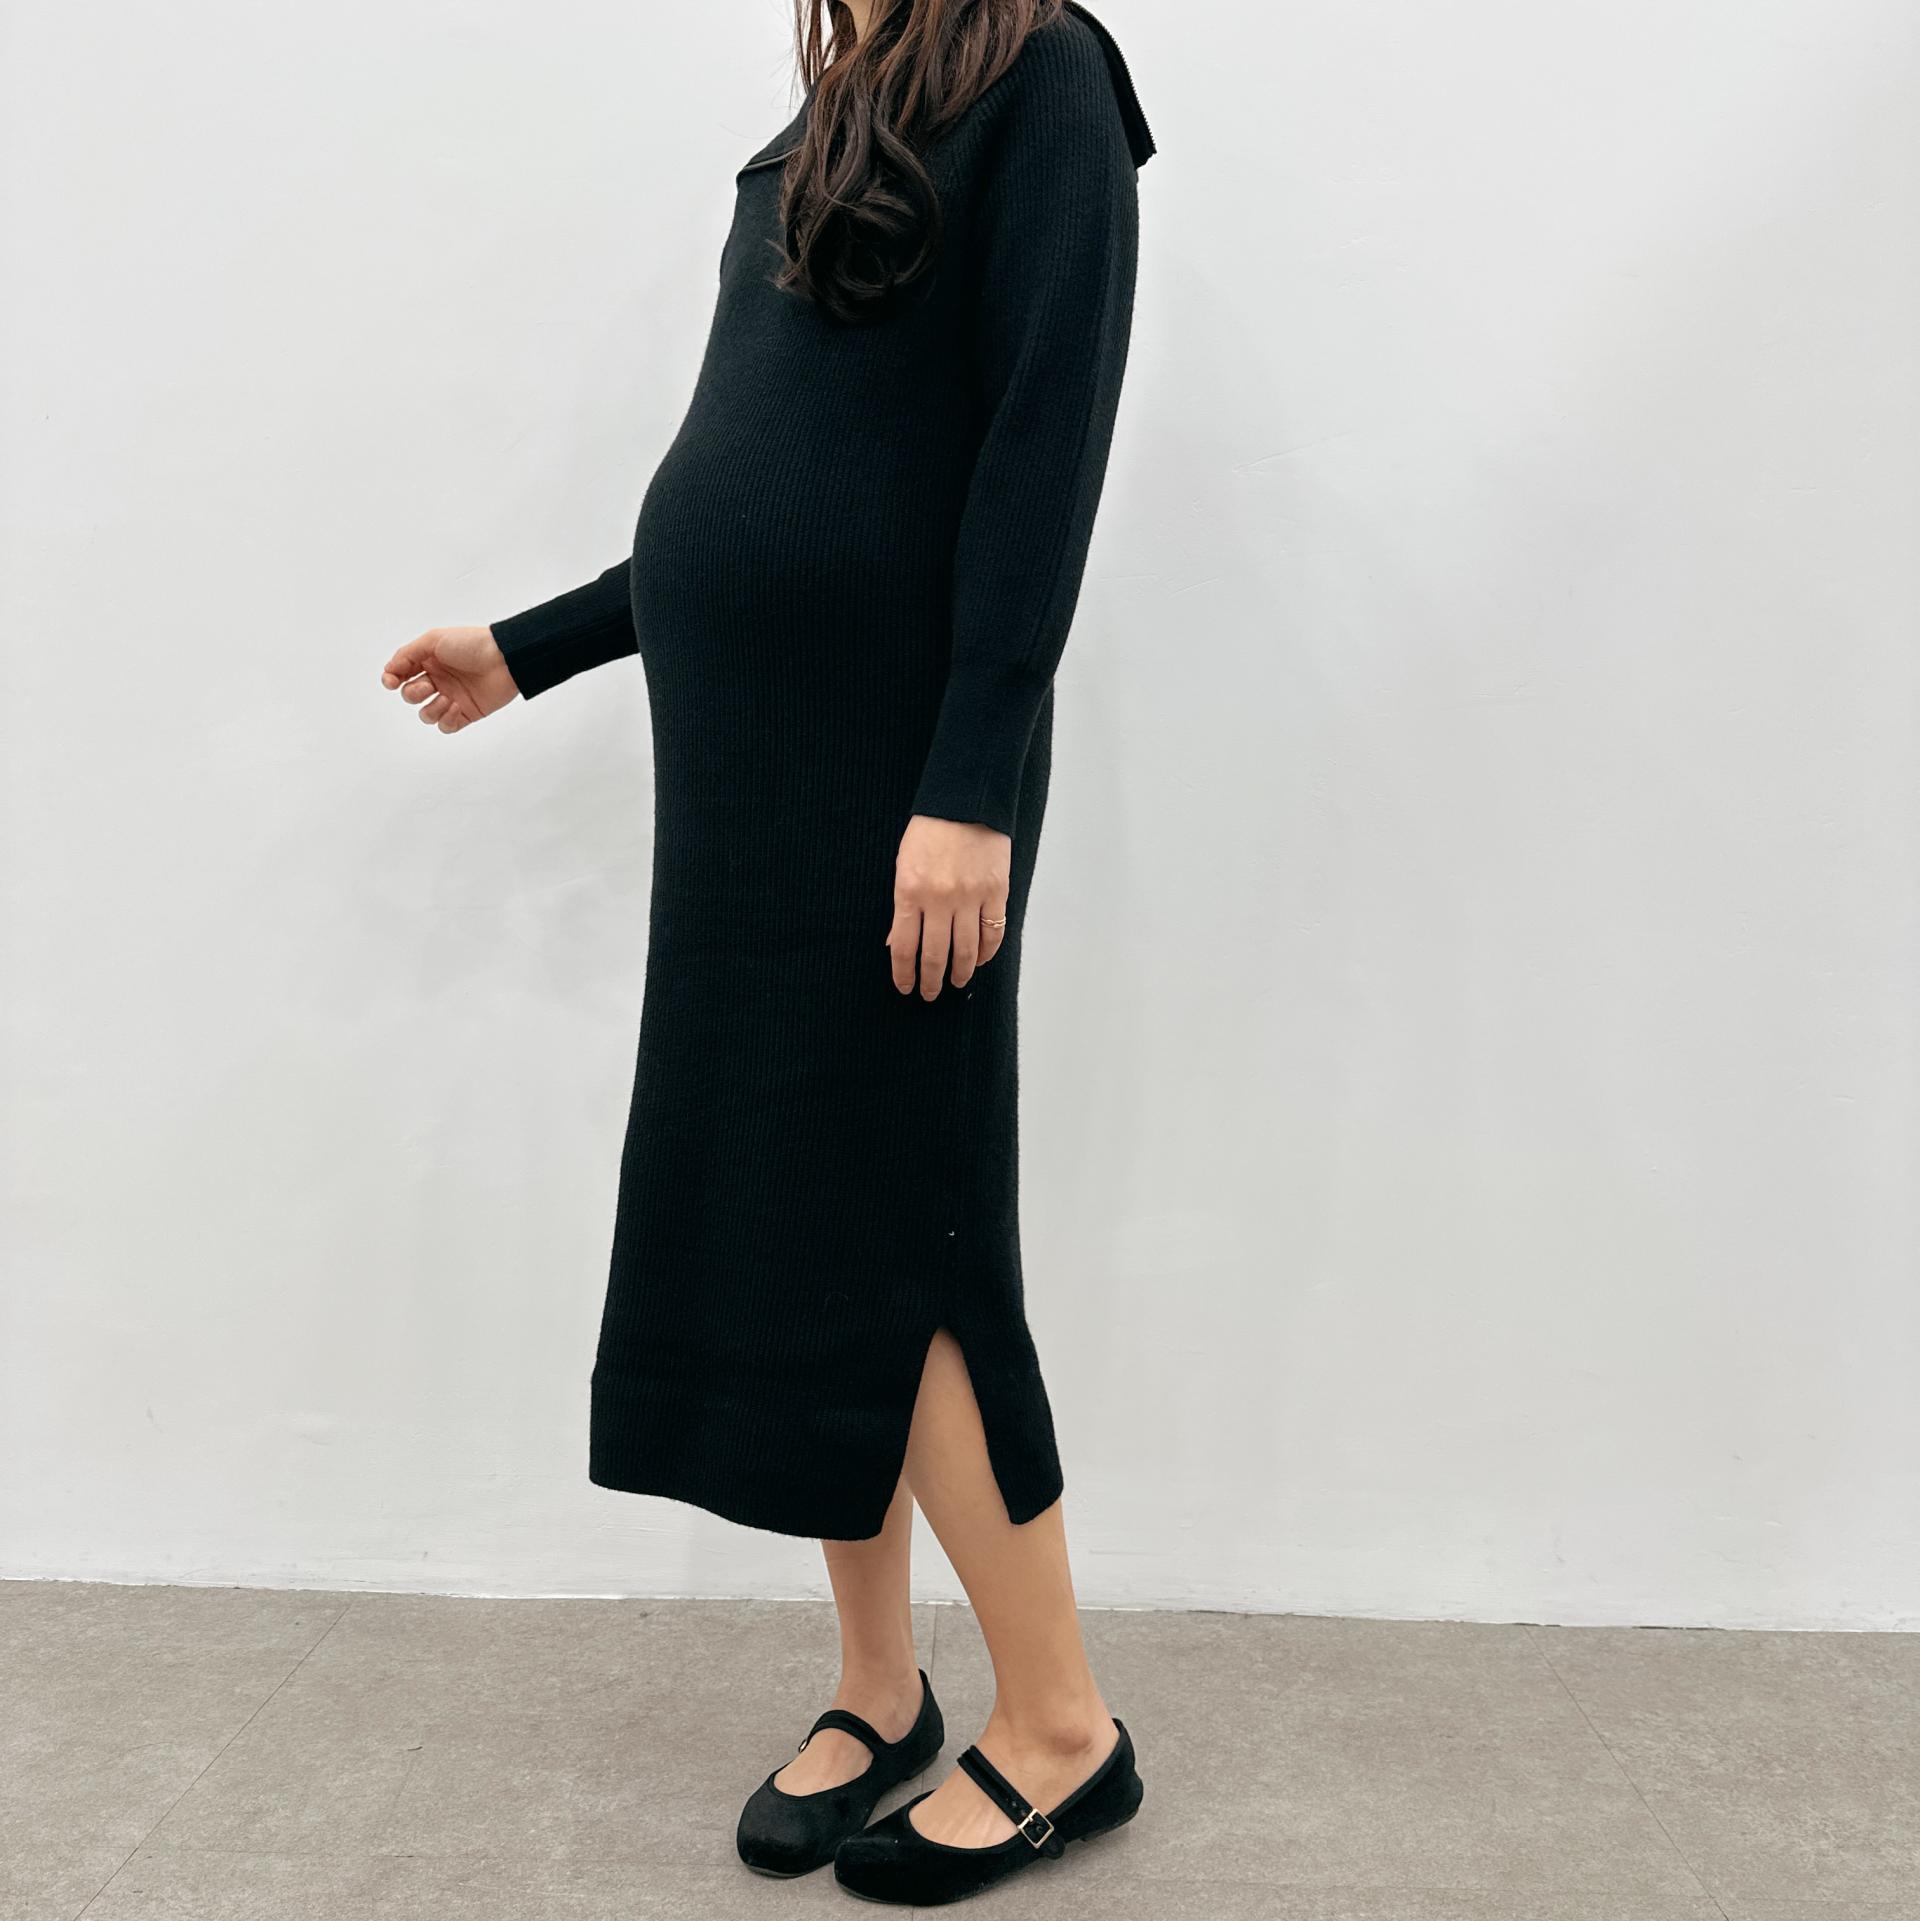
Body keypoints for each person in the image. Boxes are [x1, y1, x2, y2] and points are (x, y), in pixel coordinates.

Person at [378, 0, 1155, 1903]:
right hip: (746, 767)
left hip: (899, 767)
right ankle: (882, 1687)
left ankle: (1064, 1726)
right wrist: (531, 647)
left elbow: (1042, 444)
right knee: (799, 1220)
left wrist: (969, 780)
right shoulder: (824, 122)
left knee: (911, 1225)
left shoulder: (1044, 73)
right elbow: (760, 466)